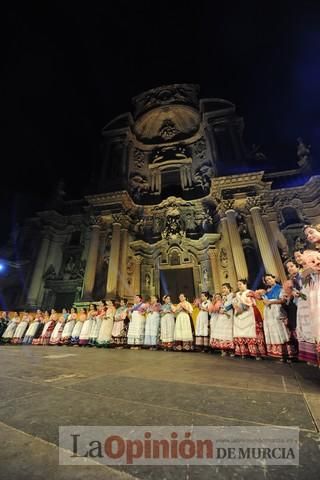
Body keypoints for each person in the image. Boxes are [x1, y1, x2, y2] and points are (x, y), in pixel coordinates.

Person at [260, 275, 292, 362]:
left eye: (270, 279)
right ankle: (278, 353)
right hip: (269, 312)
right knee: (272, 329)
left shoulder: (280, 288)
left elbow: (283, 300)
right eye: (267, 280)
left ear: (274, 278)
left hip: (277, 309)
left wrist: (271, 302)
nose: (268, 281)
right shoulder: (267, 290)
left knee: (280, 329)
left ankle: (287, 353)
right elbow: (264, 300)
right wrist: (264, 300)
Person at [232, 279, 266, 359]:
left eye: (240, 284)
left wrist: (242, 308)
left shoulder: (250, 292)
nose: (239, 286)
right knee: (240, 332)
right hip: (239, 315)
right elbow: (234, 302)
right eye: (238, 285)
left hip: (249, 313)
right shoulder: (237, 294)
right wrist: (236, 307)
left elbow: (253, 301)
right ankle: (244, 352)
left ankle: (256, 353)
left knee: (252, 332)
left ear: (245, 284)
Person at [210, 283, 235, 356]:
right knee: (221, 331)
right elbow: (221, 305)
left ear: (229, 288)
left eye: (225, 288)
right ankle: (223, 349)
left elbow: (232, 304)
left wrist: (225, 309)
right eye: (222, 288)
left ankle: (231, 350)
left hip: (228, 314)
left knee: (228, 331)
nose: (223, 289)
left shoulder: (232, 295)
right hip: (222, 315)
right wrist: (221, 309)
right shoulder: (224, 297)